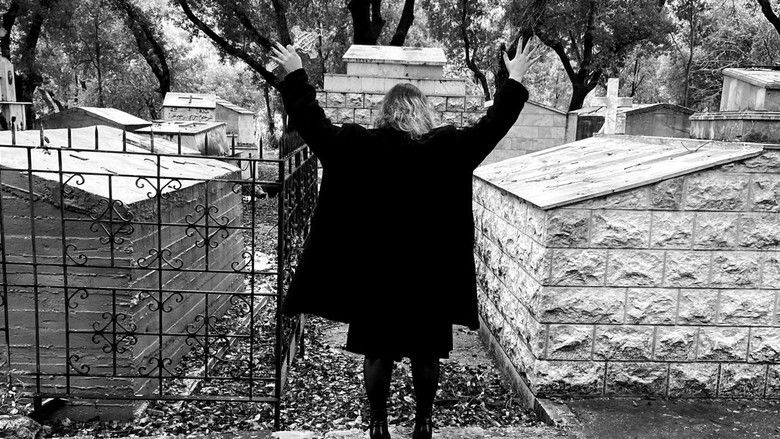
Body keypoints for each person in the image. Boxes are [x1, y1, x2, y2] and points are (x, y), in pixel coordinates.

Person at [272, 37, 540, 439]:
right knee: (426, 353)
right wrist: (514, 80)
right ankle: (423, 423)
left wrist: (295, 74)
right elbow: (494, 124)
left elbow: (313, 123)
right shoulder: (449, 149)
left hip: (374, 278)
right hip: (429, 279)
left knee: (378, 352)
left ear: (386, 112)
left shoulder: (357, 147)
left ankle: (378, 424)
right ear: (423, 112)